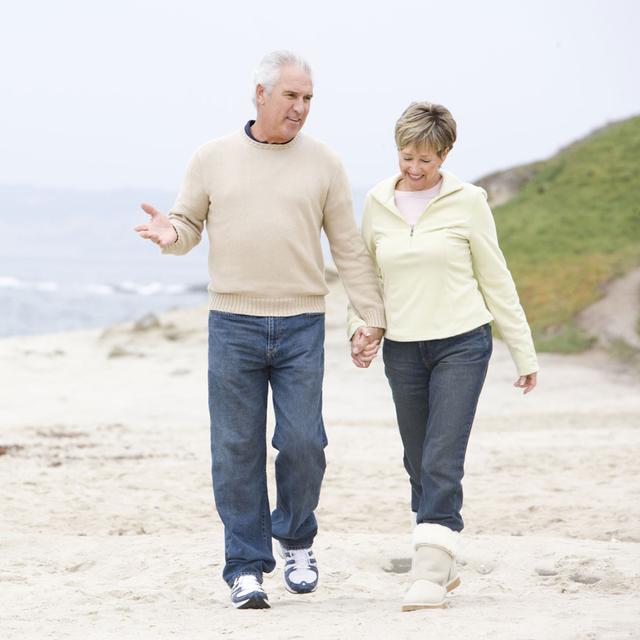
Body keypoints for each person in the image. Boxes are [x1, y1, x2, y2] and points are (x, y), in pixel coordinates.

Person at [134, 50, 385, 609]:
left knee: (303, 442)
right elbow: (187, 225)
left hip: (301, 324)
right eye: (292, 96)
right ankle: (245, 565)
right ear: (261, 95)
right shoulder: (211, 157)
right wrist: (167, 234)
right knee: (235, 449)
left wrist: (370, 317)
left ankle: (296, 538)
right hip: (233, 324)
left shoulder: (324, 163)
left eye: (308, 99)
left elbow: (347, 247)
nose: (301, 108)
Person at [349, 102, 538, 611]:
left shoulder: (468, 201)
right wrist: (360, 328)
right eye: (406, 157)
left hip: (462, 342)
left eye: (426, 160)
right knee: (416, 459)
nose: (414, 169)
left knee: (440, 457)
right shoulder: (376, 201)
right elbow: (365, 276)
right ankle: (441, 553)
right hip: (403, 348)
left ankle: (429, 571)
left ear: (446, 154)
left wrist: (523, 352)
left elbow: (495, 279)